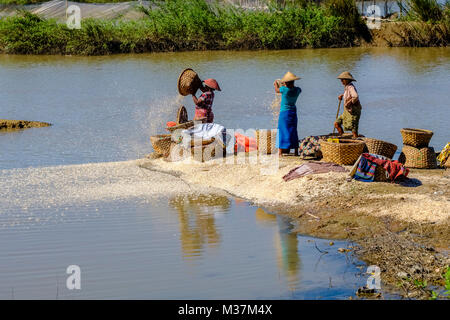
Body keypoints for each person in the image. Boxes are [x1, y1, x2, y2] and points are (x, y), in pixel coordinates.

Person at [273, 71, 301, 157]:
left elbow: (277, 90)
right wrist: (287, 84)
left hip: (284, 113)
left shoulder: (284, 89)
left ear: (286, 83)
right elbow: (295, 88)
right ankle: (296, 151)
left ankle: (280, 152)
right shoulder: (297, 90)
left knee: (282, 130)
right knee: (293, 130)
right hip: (293, 112)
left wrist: (275, 84)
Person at [334, 71, 362, 139]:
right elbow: (349, 95)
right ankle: (343, 137)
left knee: (353, 128)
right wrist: (342, 95)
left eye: (343, 79)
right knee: (336, 123)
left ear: (347, 80)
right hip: (347, 111)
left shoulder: (350, 87)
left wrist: (349, 103)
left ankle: (356, 141)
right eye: (341, 80)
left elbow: (355, 96)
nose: (341, 81)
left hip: (353, 111)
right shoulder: (347, 87)